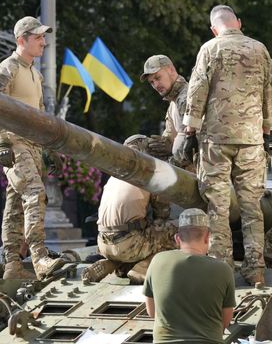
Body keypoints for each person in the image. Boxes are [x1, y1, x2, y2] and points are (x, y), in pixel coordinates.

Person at [183, 4, 272, 285]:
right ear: (239, 23)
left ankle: (222, 269)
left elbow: (197, 90)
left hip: (216, 139)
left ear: (214, 28)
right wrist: (268, 130)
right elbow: (269, 90)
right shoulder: (260, 50)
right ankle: (255, 268)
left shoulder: (210, 49)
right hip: (251, 140)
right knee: (252, 205)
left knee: (218, 207)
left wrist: (189, 130)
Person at [0, 16, 64, 280]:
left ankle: (12, 264)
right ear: (22, 40)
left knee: (15, 203)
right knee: (34, 193)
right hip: (15, 142)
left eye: (44, 37)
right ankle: (39, 256)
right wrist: (3, 140)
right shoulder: (5, 70)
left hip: (32, 145)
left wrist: (47, 146)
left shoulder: (35, 73)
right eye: (38, 38)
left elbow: (40, 113)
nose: (44, 42)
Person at [81, 135, 177, 284]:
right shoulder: (148, 173)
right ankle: (143, 268)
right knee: (176, 232)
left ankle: (113, 264)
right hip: (130, 243)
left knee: (141, 239)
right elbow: (162, 213)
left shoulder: (114, 175)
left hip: (103, 243)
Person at [143, 208, 235, 343]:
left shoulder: (157, 261)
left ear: (177, 238)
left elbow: (152, 312)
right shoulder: (223, 270)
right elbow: (225, 321)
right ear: (207, 237)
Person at [140, 55, 194, 168]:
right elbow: (169, 139)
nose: (156, 85)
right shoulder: (174, 102)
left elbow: (192, 144)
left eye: (158, 78)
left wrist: (165, 166)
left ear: (171, 70)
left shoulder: (186, 98)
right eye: (151, 82)